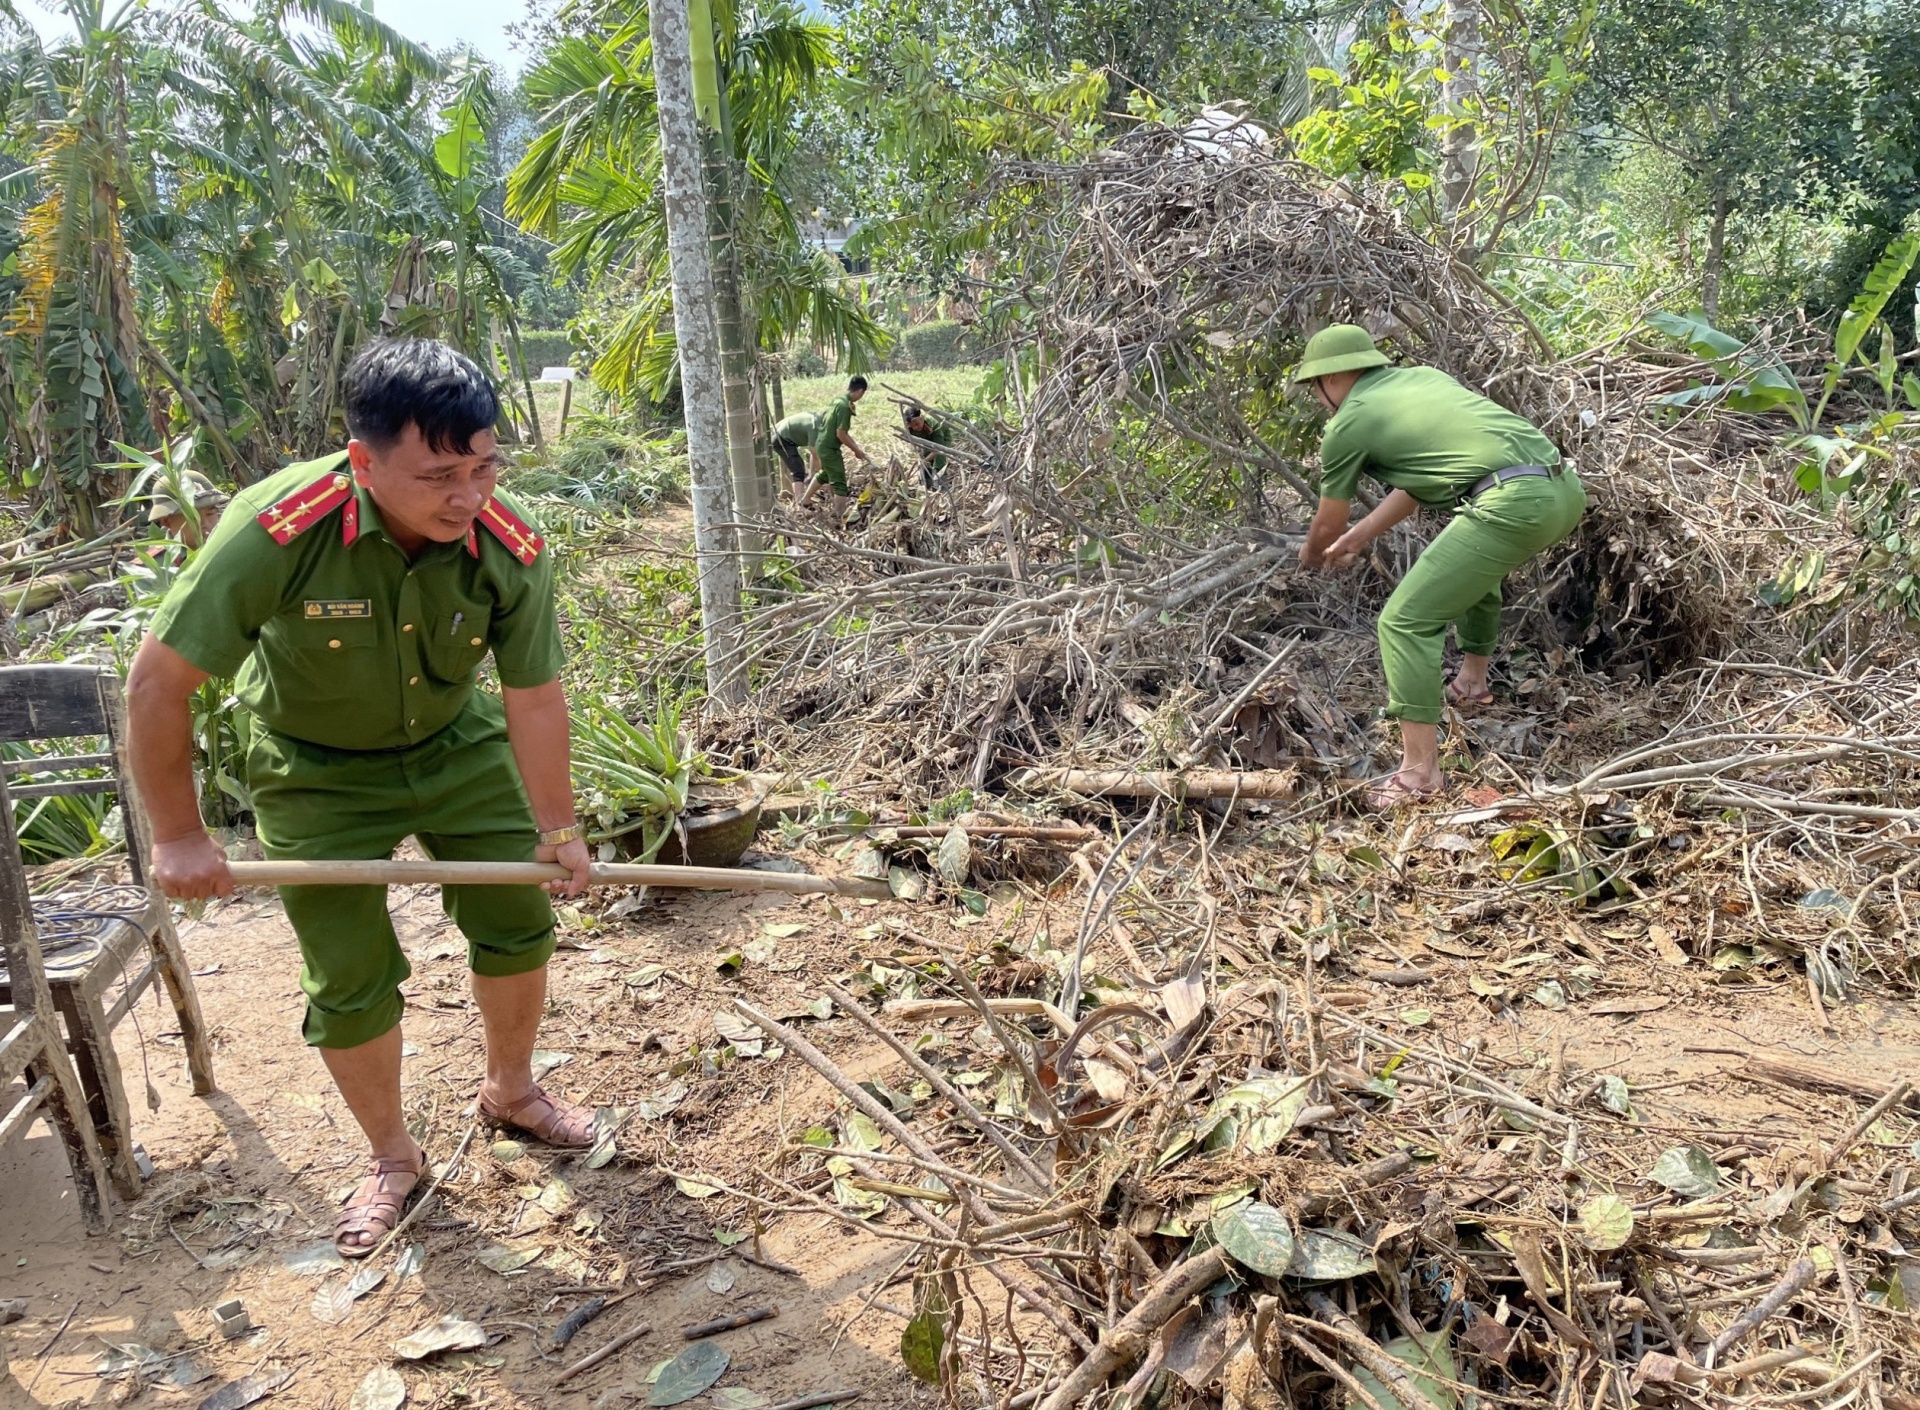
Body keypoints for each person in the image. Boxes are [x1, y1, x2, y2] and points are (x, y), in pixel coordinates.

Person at [126, 338, 595, 1258]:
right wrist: (179, 836)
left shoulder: (507, 543)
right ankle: (391, 1157)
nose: (468, 497)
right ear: (362, 461)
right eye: (439, 476)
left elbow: (532, 694)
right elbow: (157, 684)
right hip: (315, 768)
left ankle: (512, 1091)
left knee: (517, 915)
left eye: (485, 466)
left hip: (456, 749)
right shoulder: (279, 532)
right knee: (349, 978)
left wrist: (558, 828)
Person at [1294, 324, 1587, 809]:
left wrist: (1310, 559)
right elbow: (1412, 486)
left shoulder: (1349, 423)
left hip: (1512, 501)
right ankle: (1472, 682)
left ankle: (1419, 774)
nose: (1317, 398)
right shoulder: (1421, 381)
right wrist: (1361, 535)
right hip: (1561, 490)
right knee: (1472, 571)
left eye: (1315, 386)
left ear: (1334, 377)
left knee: (1404, 623)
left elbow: (1325, 523)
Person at [804, 375, 872, 512]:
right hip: (829, 448)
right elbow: (840, 434)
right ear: (860, 391)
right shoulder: (844, 407)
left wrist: (857, 448)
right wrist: (856, 451)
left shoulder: (838, 400)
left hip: (821, 443)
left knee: (826, 474)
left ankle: (805, 500)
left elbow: (843, 433)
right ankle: (839, 516)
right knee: (840, 483)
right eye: (862, 394)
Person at [149, 471, 230, 548]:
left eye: (210, 513)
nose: (206, 525)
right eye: (192, 518)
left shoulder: (231, 549)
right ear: (166, 521)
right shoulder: (155, 562)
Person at [771, 408, 822, 505]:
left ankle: (803, 498)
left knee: (801, 470)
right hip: (780, 437)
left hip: (786, 435)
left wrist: (812, 474)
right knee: (798, 470)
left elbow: (814, 452)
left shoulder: (819, 421)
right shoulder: (816, 426)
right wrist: (822, 474)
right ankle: (800, 504)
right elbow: (814, 454)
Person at [902, 404, 952, 487]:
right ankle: (927, 485)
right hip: (926, 439)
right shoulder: (909, 427)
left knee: (939, 458)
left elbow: (938, 449)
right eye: (912, 425)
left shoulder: (936, 426)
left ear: (922, 418)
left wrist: (925, 460)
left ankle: (943, 484)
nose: (915, 427)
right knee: (925, 457)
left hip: (942, 439)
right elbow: (907, 438)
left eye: (917, 424)